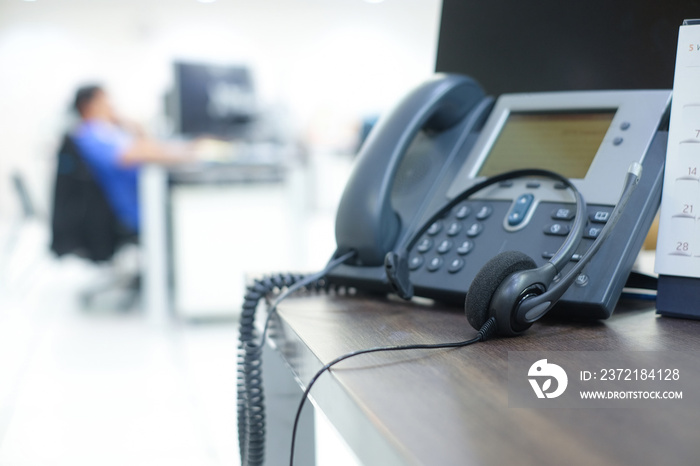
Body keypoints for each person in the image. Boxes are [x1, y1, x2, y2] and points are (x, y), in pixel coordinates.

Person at [71, 84, 194, 233]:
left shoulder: (110, 131)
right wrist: (187, 154)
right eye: (104, 100)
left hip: (150, 199)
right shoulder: (89, 134)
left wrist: (135, 127)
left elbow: (147, 147)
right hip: (135, 210)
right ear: (88, 106)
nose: (111, 104)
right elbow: (133, 154)